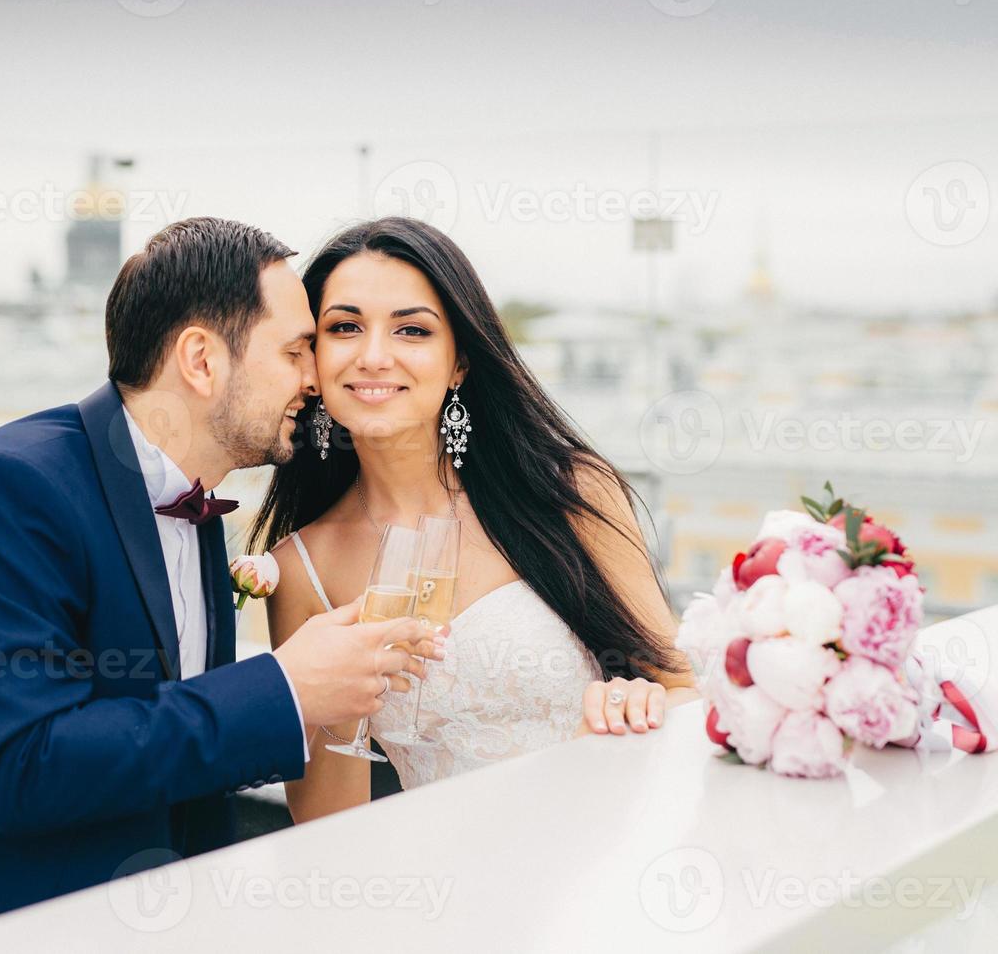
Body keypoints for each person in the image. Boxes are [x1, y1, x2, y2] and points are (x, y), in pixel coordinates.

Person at [0, 217, 443, 951]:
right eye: (293, 352)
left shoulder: (200, 507)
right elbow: (26, 768)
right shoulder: (12, 487)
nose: (316, 380)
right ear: (200, 360)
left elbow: (177, 768)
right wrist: (284, 689)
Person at [251, 217, 699, 821]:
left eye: (412, 330)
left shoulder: (572, 494)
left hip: (608, 862)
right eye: (345, 327)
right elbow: (330, 825)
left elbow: (683, 693)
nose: (374, 356)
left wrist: (638, 703)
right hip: (449, 891)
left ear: (459, 362)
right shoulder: (301, 568)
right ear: (314, 358)